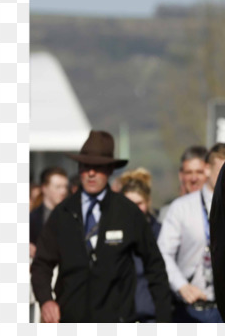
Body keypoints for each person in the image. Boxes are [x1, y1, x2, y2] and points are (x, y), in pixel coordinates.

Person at [30, 130, 171, 322]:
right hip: (71, 320)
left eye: (98, 167)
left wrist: (164, 321)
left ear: (111, 169)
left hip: (117, 321)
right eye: (85, 166)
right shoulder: (63, 213)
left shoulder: (128, 212)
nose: (91, 173)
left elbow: (154, 267)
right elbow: (42, 264)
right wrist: (46, 300)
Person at [156, 143, 225, 322]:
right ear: (208, 169)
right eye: (223, 170)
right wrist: (181, 286)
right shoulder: (182, 208)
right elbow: (162, 254)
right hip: (190, 310)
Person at [120, 167, 163, 323]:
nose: (134, 209)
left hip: (151, 317)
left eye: (139, 203)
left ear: (148, 202)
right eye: (128, 203)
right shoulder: (112, 235)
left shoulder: (161, 234)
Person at [158, 145, 208, 222]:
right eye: (188, 172)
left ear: (209, 173)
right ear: (181, 175)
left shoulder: (218, 211)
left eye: (199, 172)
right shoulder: (169, 214)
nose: (194, 178)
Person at [30, 167, 69, 258]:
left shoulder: (74, 215)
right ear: (44, 188)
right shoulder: (31, 219)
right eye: (58, 187)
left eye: (65, 187)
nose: (63, 191)